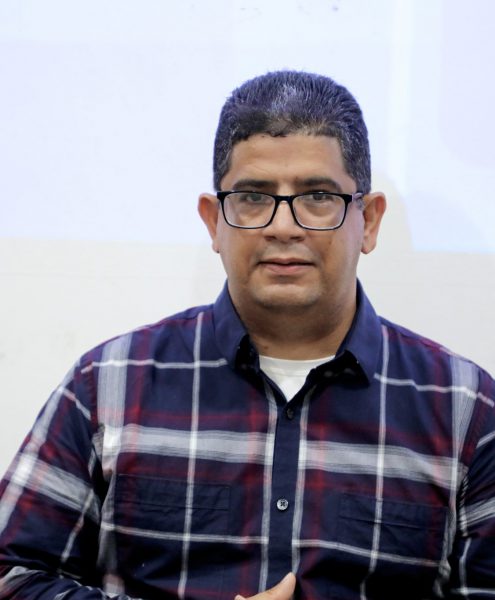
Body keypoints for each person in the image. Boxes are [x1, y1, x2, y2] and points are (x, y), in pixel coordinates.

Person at [0, 70, 494, 600]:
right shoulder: (108, 386)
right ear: (214, 221)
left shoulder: (463, 408)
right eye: (254, 197)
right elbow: (12, 574)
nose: (284, 226)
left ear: (368, 221)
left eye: (318, 196)